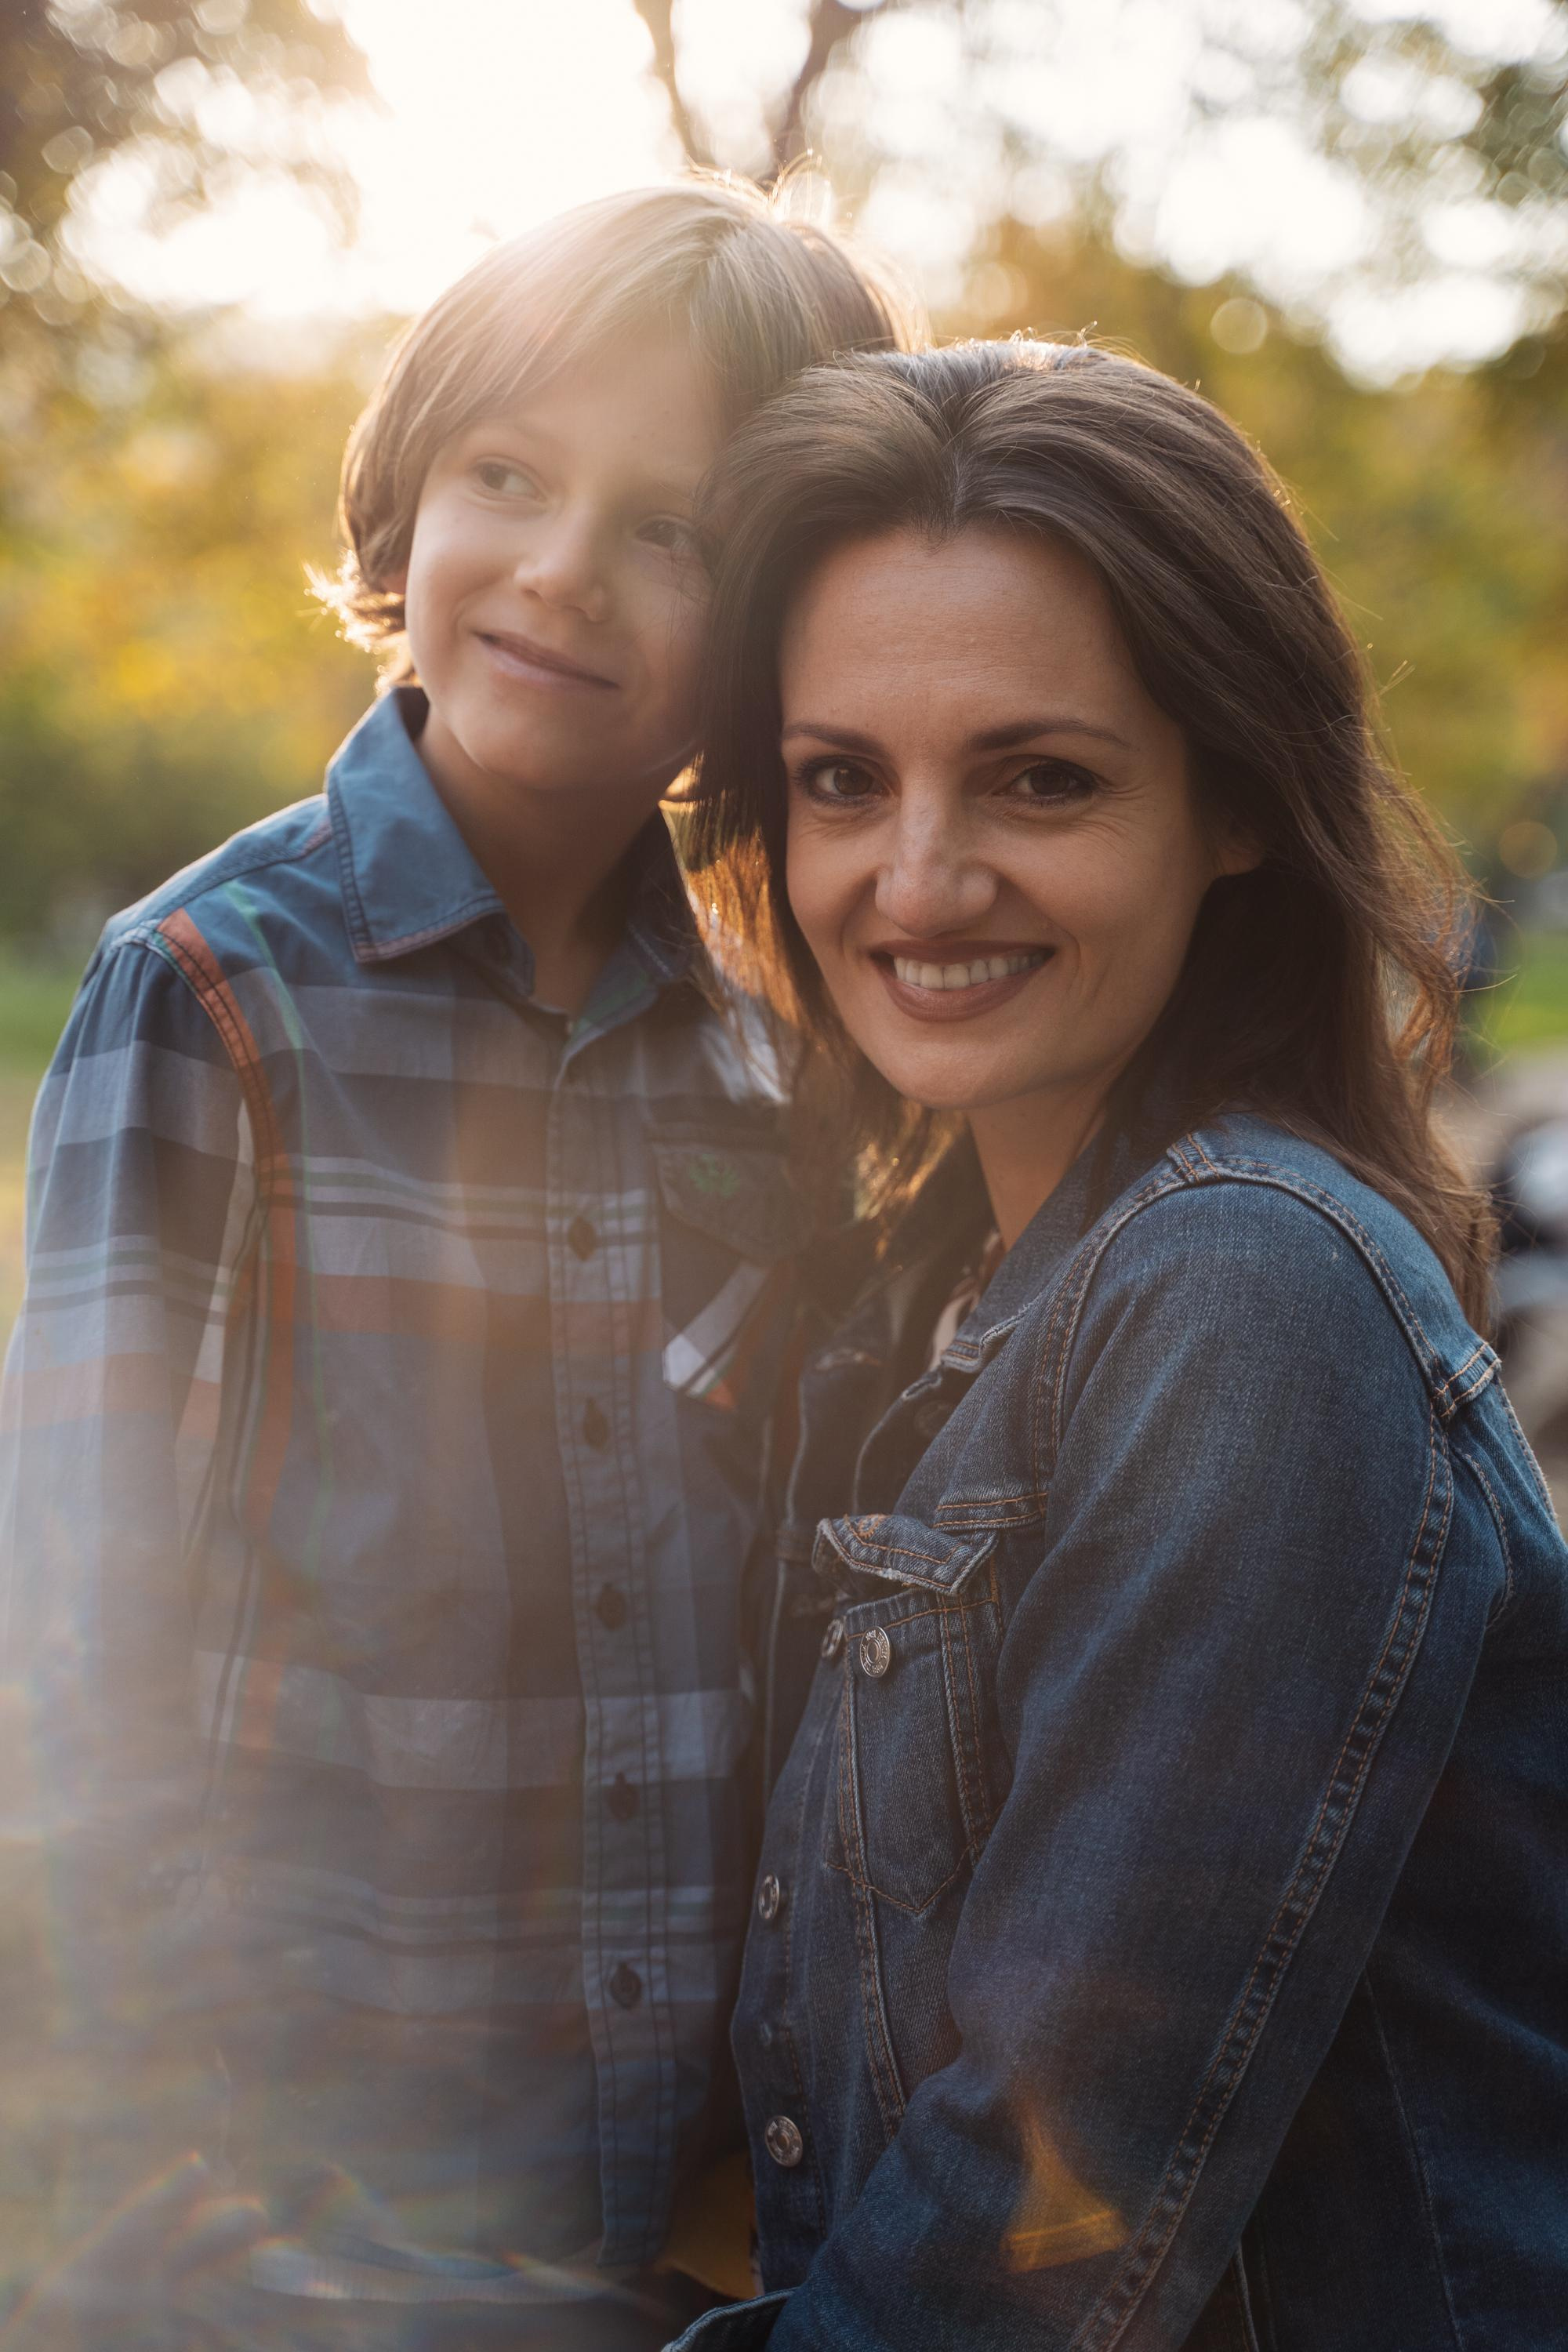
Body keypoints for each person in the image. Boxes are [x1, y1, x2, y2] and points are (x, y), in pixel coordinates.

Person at [0, 183, 909, 2350]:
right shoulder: (211, 997)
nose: (566, 569)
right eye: (509, 475)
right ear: (407, 497)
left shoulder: (772, 1073)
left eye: (672, 530)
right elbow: (75, 1649)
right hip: (288, 2219)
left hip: (669, 2218)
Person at [667, 340, 1568, 2349]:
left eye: (1041, 778)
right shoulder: (935, 1297)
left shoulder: (1246, 1287)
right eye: (840, 780)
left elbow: (1037, 2221)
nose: (917, 880)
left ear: (1234, 800)